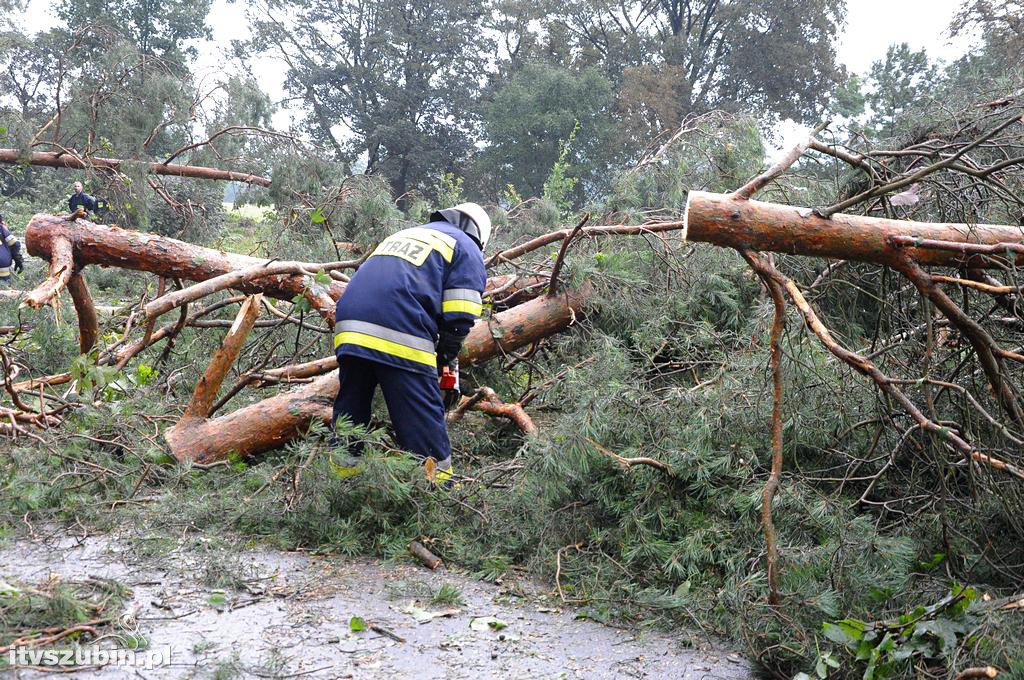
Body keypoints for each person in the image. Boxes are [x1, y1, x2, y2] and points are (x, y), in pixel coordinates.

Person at [331, 203, 490, 484]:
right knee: (420, 416)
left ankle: (342, 483)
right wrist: (445, 357)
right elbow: (461, 313)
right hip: (399, 329)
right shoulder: (465, 246)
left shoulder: (409, 234)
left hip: (349, 326)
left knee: (351, 409)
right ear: (479, 234)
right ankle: (435, 493)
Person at [0, 214, 24, 286]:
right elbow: (14, 244)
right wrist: (18, 260)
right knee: (5, 290)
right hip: (3, 267)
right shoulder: (1, 228)